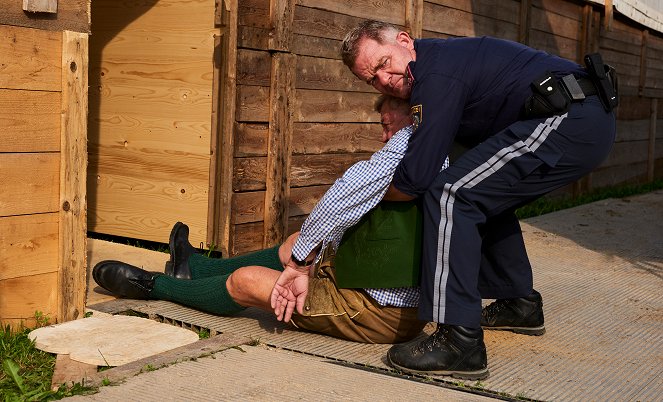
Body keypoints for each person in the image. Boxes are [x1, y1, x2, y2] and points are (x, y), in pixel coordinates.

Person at [272, 20, 617, 379]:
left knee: (452, 195)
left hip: (570, 115)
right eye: (372, 79)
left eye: (384, 63)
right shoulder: (440, 69)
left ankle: (460, 340)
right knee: (477, 192)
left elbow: (415, 178)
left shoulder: (435, 75)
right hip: (577, 114)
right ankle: (519, 303)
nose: (385, 79)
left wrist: (369, 205)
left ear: (405, 40)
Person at [93, 95, 445, 344]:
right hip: (367, 281)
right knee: (296, 244)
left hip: (378, 310)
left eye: (388, 126)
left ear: (411, 117)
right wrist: (307, 254)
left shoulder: (411, 146)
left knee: (246, 282)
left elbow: (344, 193)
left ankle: (154, 286)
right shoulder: (433, 149)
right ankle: (193, 269)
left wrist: (307, 259)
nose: (384, 136)